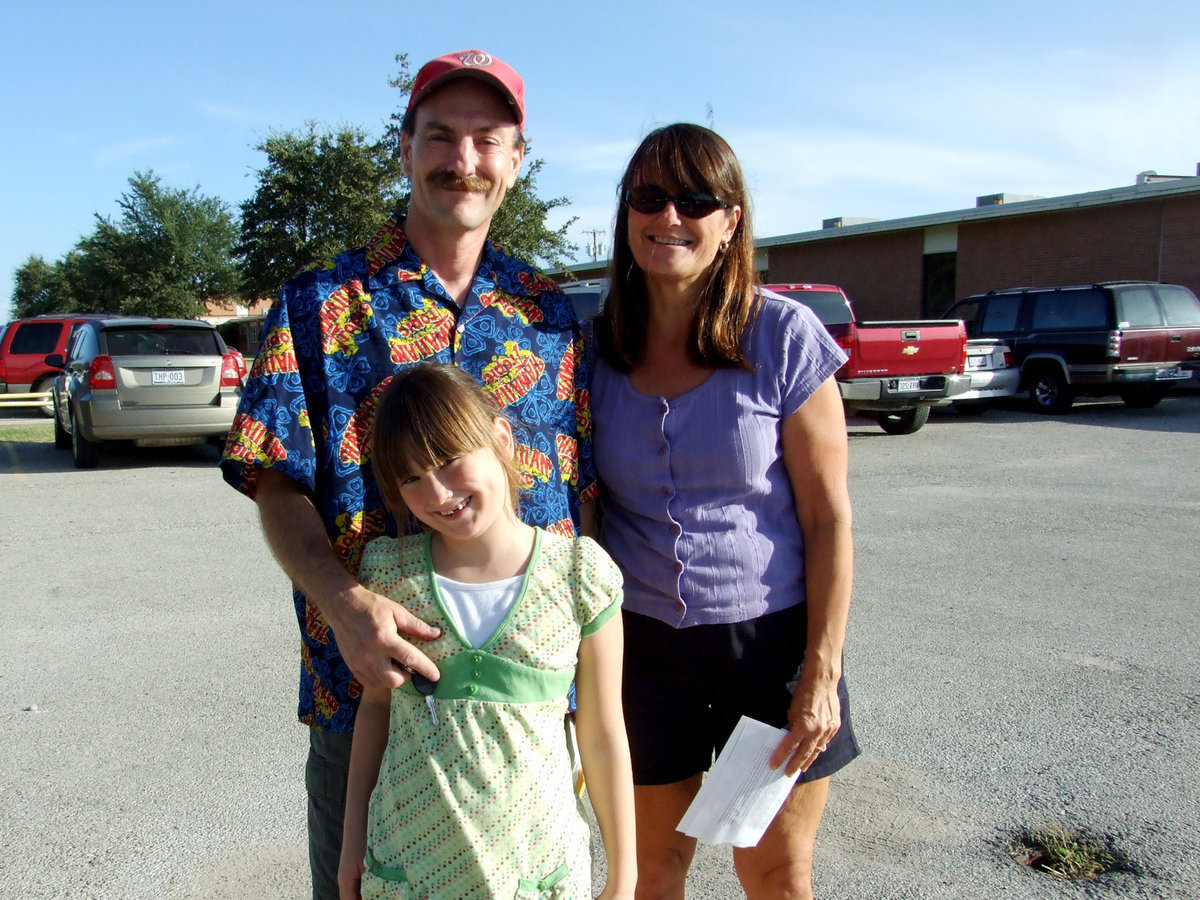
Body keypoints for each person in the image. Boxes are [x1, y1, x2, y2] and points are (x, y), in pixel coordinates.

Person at [220, 49, 598, 900]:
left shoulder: (548, 316)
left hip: (524, 711)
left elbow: (578, 501)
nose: (463, 160)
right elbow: (275, 478)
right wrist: (342, 603)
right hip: (374, 700)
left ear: (516, 161)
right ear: (404, 149)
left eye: (487, 139)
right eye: (440, 136)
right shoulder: (320, 303)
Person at [592, 123, 861, 900]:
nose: (669, 216)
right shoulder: (596, 348)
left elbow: (828, 518)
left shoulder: (782, 335)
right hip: (641, 650)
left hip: (768, 648)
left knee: (775, 873)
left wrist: (821, 671)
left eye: (695, 199)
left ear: (731, 220)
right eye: (649, 196)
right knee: (650, 873)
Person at [335, 363, 634, 899]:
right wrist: (352, 839)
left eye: (449, 460)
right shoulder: (388, 576)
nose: (437, 492)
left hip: (536, 873)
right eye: (410, 478)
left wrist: (624, 874)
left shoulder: (580, 575)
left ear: (501, 439)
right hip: (409, 875)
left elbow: (603, 730)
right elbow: (375, 710)